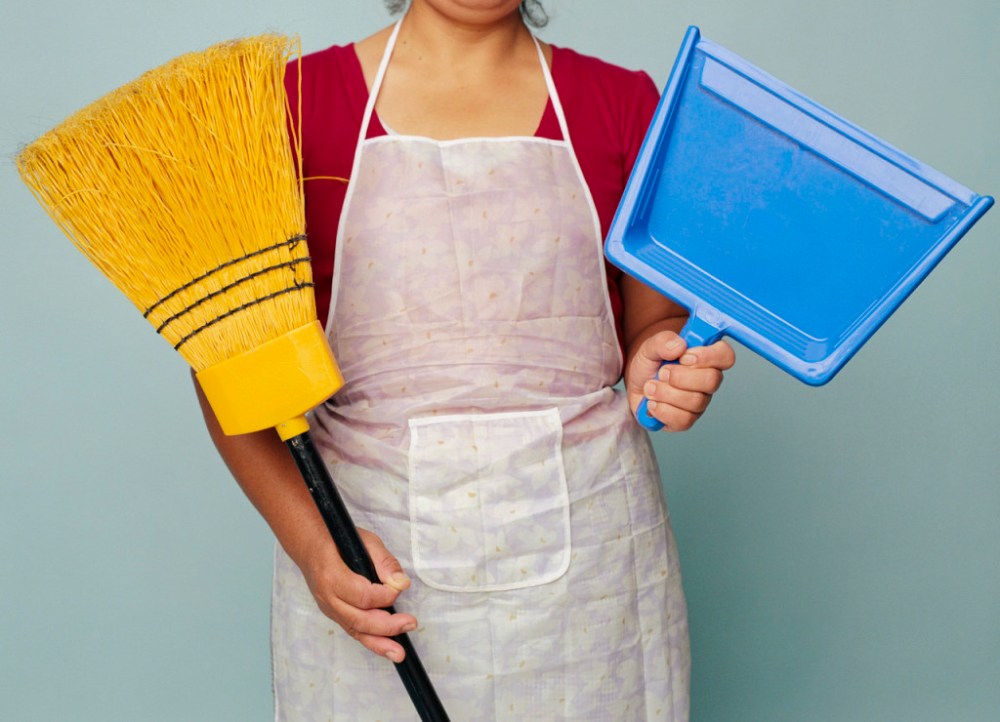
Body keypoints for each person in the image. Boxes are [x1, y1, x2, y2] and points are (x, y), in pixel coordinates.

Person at [196, 1, 735, 719]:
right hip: (368, 558)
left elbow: (652, 324)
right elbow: (228, 370)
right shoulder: (288, 109)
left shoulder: (623, 105)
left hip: (593, 576)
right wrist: (316, 549)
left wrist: (661, 369)